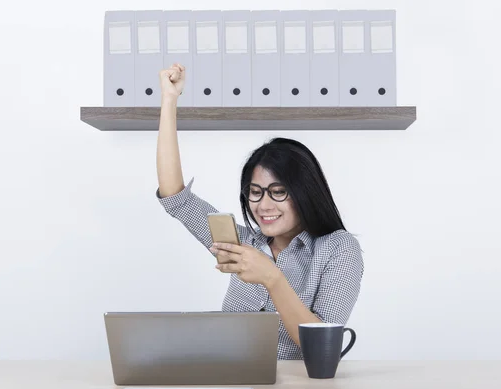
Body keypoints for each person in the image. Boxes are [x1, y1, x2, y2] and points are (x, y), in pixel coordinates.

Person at [155, 63, 364, 360]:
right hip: (227, 376)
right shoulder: (242, 244)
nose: (264, 206)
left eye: (278, 192)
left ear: (305, 192)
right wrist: (168, 100)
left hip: (295, 388)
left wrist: (272, 278)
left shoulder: (339, 249)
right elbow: (175, 198)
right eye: (255, 192)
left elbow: (323, 348)